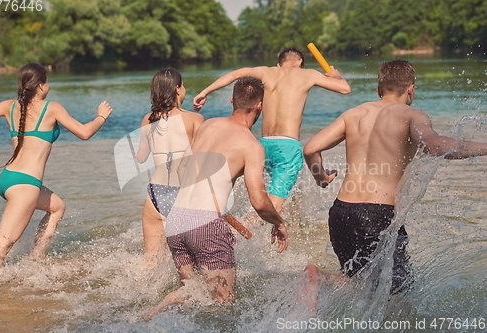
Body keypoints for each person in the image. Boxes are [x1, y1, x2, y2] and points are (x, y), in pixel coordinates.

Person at [303, 59, 487, 295]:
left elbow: (310, 148)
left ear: (379, 90)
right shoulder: (412, 115)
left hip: (341, 211)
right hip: (377, 214)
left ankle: (321, 279)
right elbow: (434, 145)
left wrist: (321, 178)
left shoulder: (354, 114)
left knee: (360, 284)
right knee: (399, 291)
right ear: (411, 88)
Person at [147, 77, 289, 316]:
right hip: (206, 226)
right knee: (224, 307)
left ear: (232, 100)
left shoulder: (208, 125)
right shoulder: (252, 146)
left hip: (176, 220)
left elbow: (184, 170)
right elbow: (260, 202)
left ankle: (150, 315)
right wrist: (279, 222)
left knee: (191, 294)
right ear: (260, 106)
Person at [0, 64, 113, 277]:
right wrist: (101, 116)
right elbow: (83, 132)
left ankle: (37, 258)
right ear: (41, 85)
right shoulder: (51, 107)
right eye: (47, 82)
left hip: (9, 179)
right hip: (26, 185)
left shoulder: (9, 106)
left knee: (57, 207)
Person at [193, 48, 351, 212]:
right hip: (287, 148)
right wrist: (335, 76)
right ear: (300, 63)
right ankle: (248, 228)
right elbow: (345, 88)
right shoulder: (307, 74)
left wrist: (204, 92)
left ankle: (294, 231)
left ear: (279, 63)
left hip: (264, 145)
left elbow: (234, 75)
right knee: (272, 208)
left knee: (293, 195)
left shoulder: (266, 72)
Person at [136, 69, 204, 265]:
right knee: (194, 261)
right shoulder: (195, 119)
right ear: (177, 89)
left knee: (151, 261)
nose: (185, 89)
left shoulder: (148, 119)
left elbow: (141, 157)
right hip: (183, 193)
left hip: (155, 193)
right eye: (183, 85)